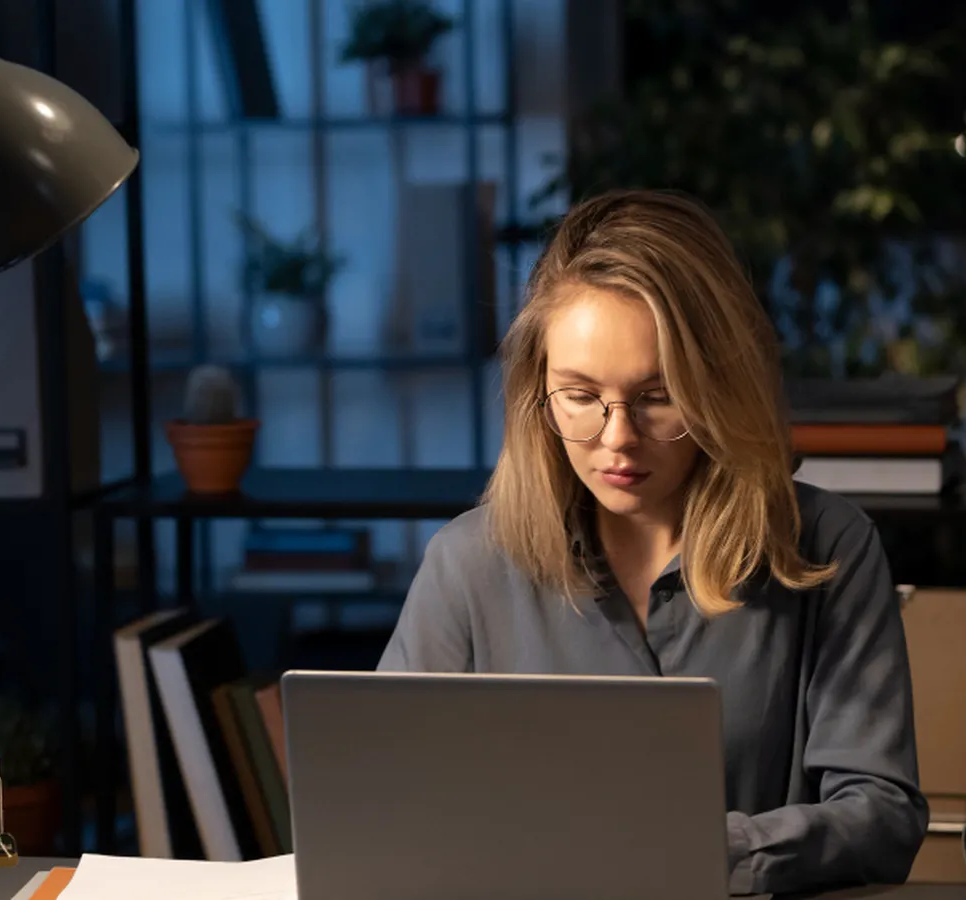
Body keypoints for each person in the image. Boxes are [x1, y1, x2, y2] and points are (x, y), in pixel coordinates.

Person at [378, 189, 928, 895]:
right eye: (579, 396)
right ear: (535, 394)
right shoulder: (467, 564)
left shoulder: (826, 546)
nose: (617, 439)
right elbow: (390, 810)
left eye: (658, 397)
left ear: (719, 388)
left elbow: (881, 816)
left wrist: (693, 850)